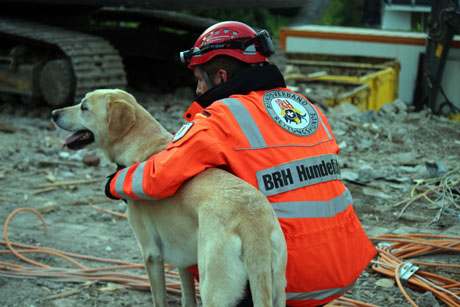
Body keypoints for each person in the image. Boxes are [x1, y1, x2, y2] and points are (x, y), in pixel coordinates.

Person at [105, 21, 376, 307]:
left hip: (284, 276)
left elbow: (160, 177)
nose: (198, 90)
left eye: (199, 78)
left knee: (215, 226)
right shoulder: (305, 107)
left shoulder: (221, 119)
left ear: (220, 76)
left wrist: (115, 183)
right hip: (340, 266)